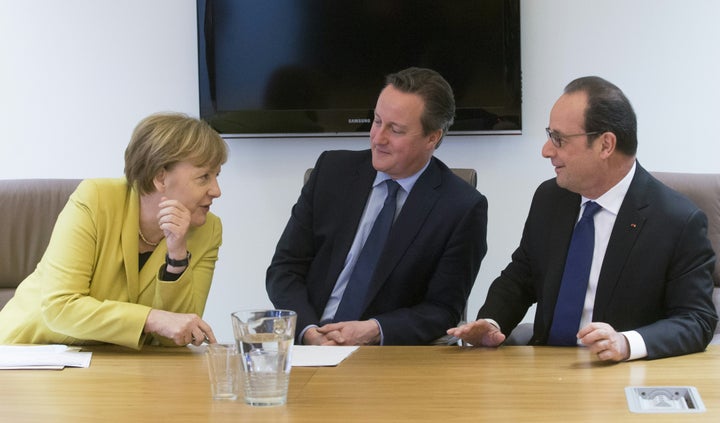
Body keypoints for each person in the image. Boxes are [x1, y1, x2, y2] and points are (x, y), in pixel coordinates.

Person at [448, 76, 718, 361]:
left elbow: (697, 320)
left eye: (559, 139)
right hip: (546, 371)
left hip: (619, 378)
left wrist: (626, 343)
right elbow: (521, 276)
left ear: (605, 145)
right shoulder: (551, 198)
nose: (546, 150)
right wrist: (492, 322)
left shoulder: (677, 220)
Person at [266, 67, 488, 346]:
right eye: (377, 121)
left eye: (395, 130)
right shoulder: (331, 172)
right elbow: (284, 269)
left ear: (432, 137)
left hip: (385, 354)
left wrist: (373, 330)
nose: (378, 138)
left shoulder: (462, 207)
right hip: (310, 343)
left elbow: (443, 309)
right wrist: (309, 331)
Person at [0, 112, 228, 349]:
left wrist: (177, 255)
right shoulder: (96, 199)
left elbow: (177, 336)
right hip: (29, 352)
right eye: (204, 177)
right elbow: (60, 307)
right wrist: (151, 318)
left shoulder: (208, 230)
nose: (216, 190)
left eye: (217, 176)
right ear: (161, 177)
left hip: (115, 364)